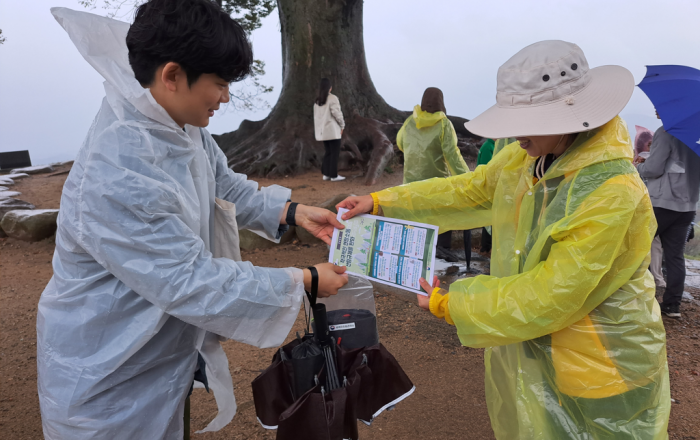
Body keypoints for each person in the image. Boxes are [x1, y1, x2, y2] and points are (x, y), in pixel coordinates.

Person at [40, 3, 348, 439]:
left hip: (160, 351)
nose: (226, 98)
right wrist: (304, 281)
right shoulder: (120, 169)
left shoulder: (178, 123)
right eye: (220, 84)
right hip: (108, 369)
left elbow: (222, 184)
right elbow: (189, 279)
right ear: (172, 75)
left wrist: (292, 212)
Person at [338, 40, 670, 439]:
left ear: (563, 117)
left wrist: (455, 302)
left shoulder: (611, 191)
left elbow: (553, 293)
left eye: (524, 120)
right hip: (541, 342)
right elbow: (470, 189)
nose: (514, 134)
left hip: (602, 362)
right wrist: (381, 202)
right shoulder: (531, 156)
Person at [636, 116, 700, 318]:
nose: (656, 111)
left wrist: (637, 168)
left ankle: (633, 298)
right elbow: (679, 164)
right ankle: (672, 305)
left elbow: (653, 169)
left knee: (637, 247)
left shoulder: (667, 131)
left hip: (662, 203)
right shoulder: (696, 134)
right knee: (675, 257)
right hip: (687, 206)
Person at [397, 87, 470, 262]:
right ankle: (441, 254)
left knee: (416, 218)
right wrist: (467, 178)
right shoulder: (444, 124)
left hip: (410, 183)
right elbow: (452, 156)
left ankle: (416, 256)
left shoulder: (410, 121)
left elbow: (400, 143)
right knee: (442, 216)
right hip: (436, 183)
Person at [635, 125, 666, 290]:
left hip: (650, 204)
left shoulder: (643, 161)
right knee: (656, 243)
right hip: (655, 204)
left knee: (652, 240)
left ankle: (649, 277)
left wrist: (639, 166)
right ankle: (657, 278)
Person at [314, 78, 346, 181]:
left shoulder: (317, 101)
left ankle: (326, 174)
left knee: (328, 152)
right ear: (330, 88)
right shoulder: (333, 98)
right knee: (334, 153)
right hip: (332, 130)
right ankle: (333, 175)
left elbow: (317, 118)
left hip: (323, 131)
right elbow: (337, 113)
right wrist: (342, 125)